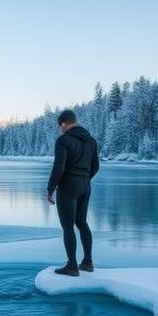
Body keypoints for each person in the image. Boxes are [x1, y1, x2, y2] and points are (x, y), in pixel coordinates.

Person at [46, 109, 99, 276]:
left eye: (60, 126)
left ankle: (72, 266)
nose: (60, 129)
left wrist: (51, 188)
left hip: (68, 187)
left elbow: (59, 167)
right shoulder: (90, 140)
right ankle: (88, 262)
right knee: (82, 223)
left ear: (63, 124)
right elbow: (96, 166)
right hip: (85, 186)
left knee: (68, 226)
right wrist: (84, 178)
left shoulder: (63, 140)